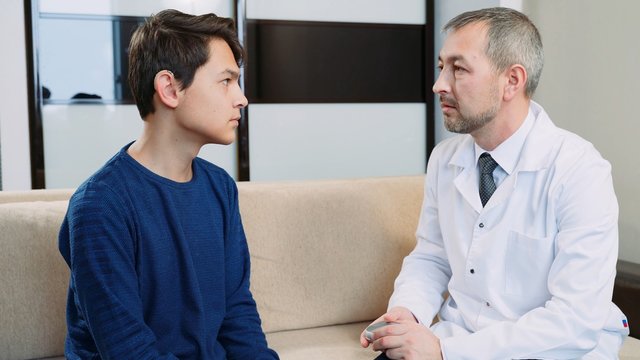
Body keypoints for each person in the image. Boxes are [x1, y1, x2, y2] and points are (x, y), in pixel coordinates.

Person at [361, 7, 629, 360]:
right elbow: (431, 257)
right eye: (442, 66)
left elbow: (574, 319)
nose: (439, 84)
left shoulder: (579, 170)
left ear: (512, 81)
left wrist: (444, 350)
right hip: (460, 334)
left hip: (548, 349)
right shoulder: (445, 159)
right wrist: (406, 313)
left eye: (458, 68)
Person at [58, 9, 279, 359]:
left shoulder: (220, 187)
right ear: (170, 88)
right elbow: (127, 349)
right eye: (226, 81)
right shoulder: (99, 205)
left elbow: (236, 312)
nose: (241, 98)